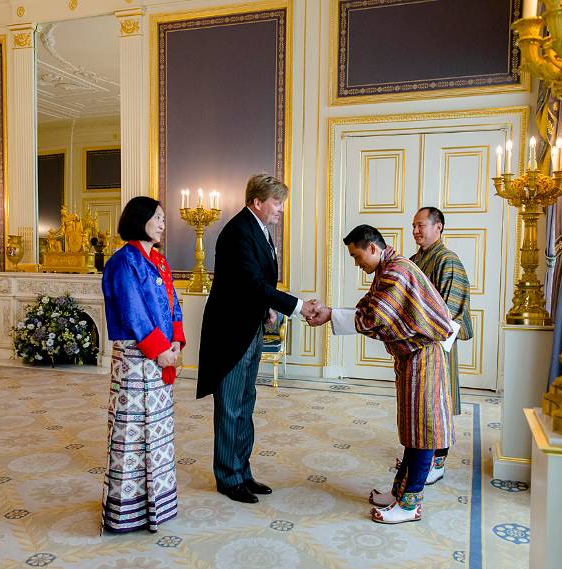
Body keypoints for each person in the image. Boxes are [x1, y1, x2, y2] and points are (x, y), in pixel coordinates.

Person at [307, 224, 458, 524]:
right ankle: (399, 493)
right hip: (413, 356)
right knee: (412, 427)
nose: (356, 263)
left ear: (373, 248)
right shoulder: (388, 268)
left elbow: (376, 315)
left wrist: (330, 315)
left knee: (423, 431)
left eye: (357, 256)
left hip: (424, 355)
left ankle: (410, 503)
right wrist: (332, 313)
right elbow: (371, 306)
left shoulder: (396, 271)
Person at [197, 174, 320, 504]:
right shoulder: (238, 231)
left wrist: (266, 307)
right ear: (258, 202)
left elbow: (254, 282)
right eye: (277, 202)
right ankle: (228, 478)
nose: (281, 209)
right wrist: (296, 306)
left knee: (245, 403)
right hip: (230, 332)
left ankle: (243, 471)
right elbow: (249, 282)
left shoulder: (259, 230)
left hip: (247, 326)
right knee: (230, 406)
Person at [100, 196, 184, 533]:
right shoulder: (123, 262)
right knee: (132, 430)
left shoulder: (160, 261)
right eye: (157, 218)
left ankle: (158, 505)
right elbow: (132, 310)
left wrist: (175, 340)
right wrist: (159, 349)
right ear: (140, 220)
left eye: (164, 218)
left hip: (163, 354)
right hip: (136, 357)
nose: (163, 224)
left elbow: (173, 302)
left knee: (159, 430)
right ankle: (129, 512)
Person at [410, 206, 474, 483]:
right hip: (418, 342)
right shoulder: (414, 260)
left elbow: (450, 310)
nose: (416, 231)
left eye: (421, 225)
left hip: (438, 344)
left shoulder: (448, 260)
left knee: (439, 402)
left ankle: (438, 460)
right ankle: (423, 453)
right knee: (422, 403)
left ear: (439, 227)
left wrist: (428, 332)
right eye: (414, 226)